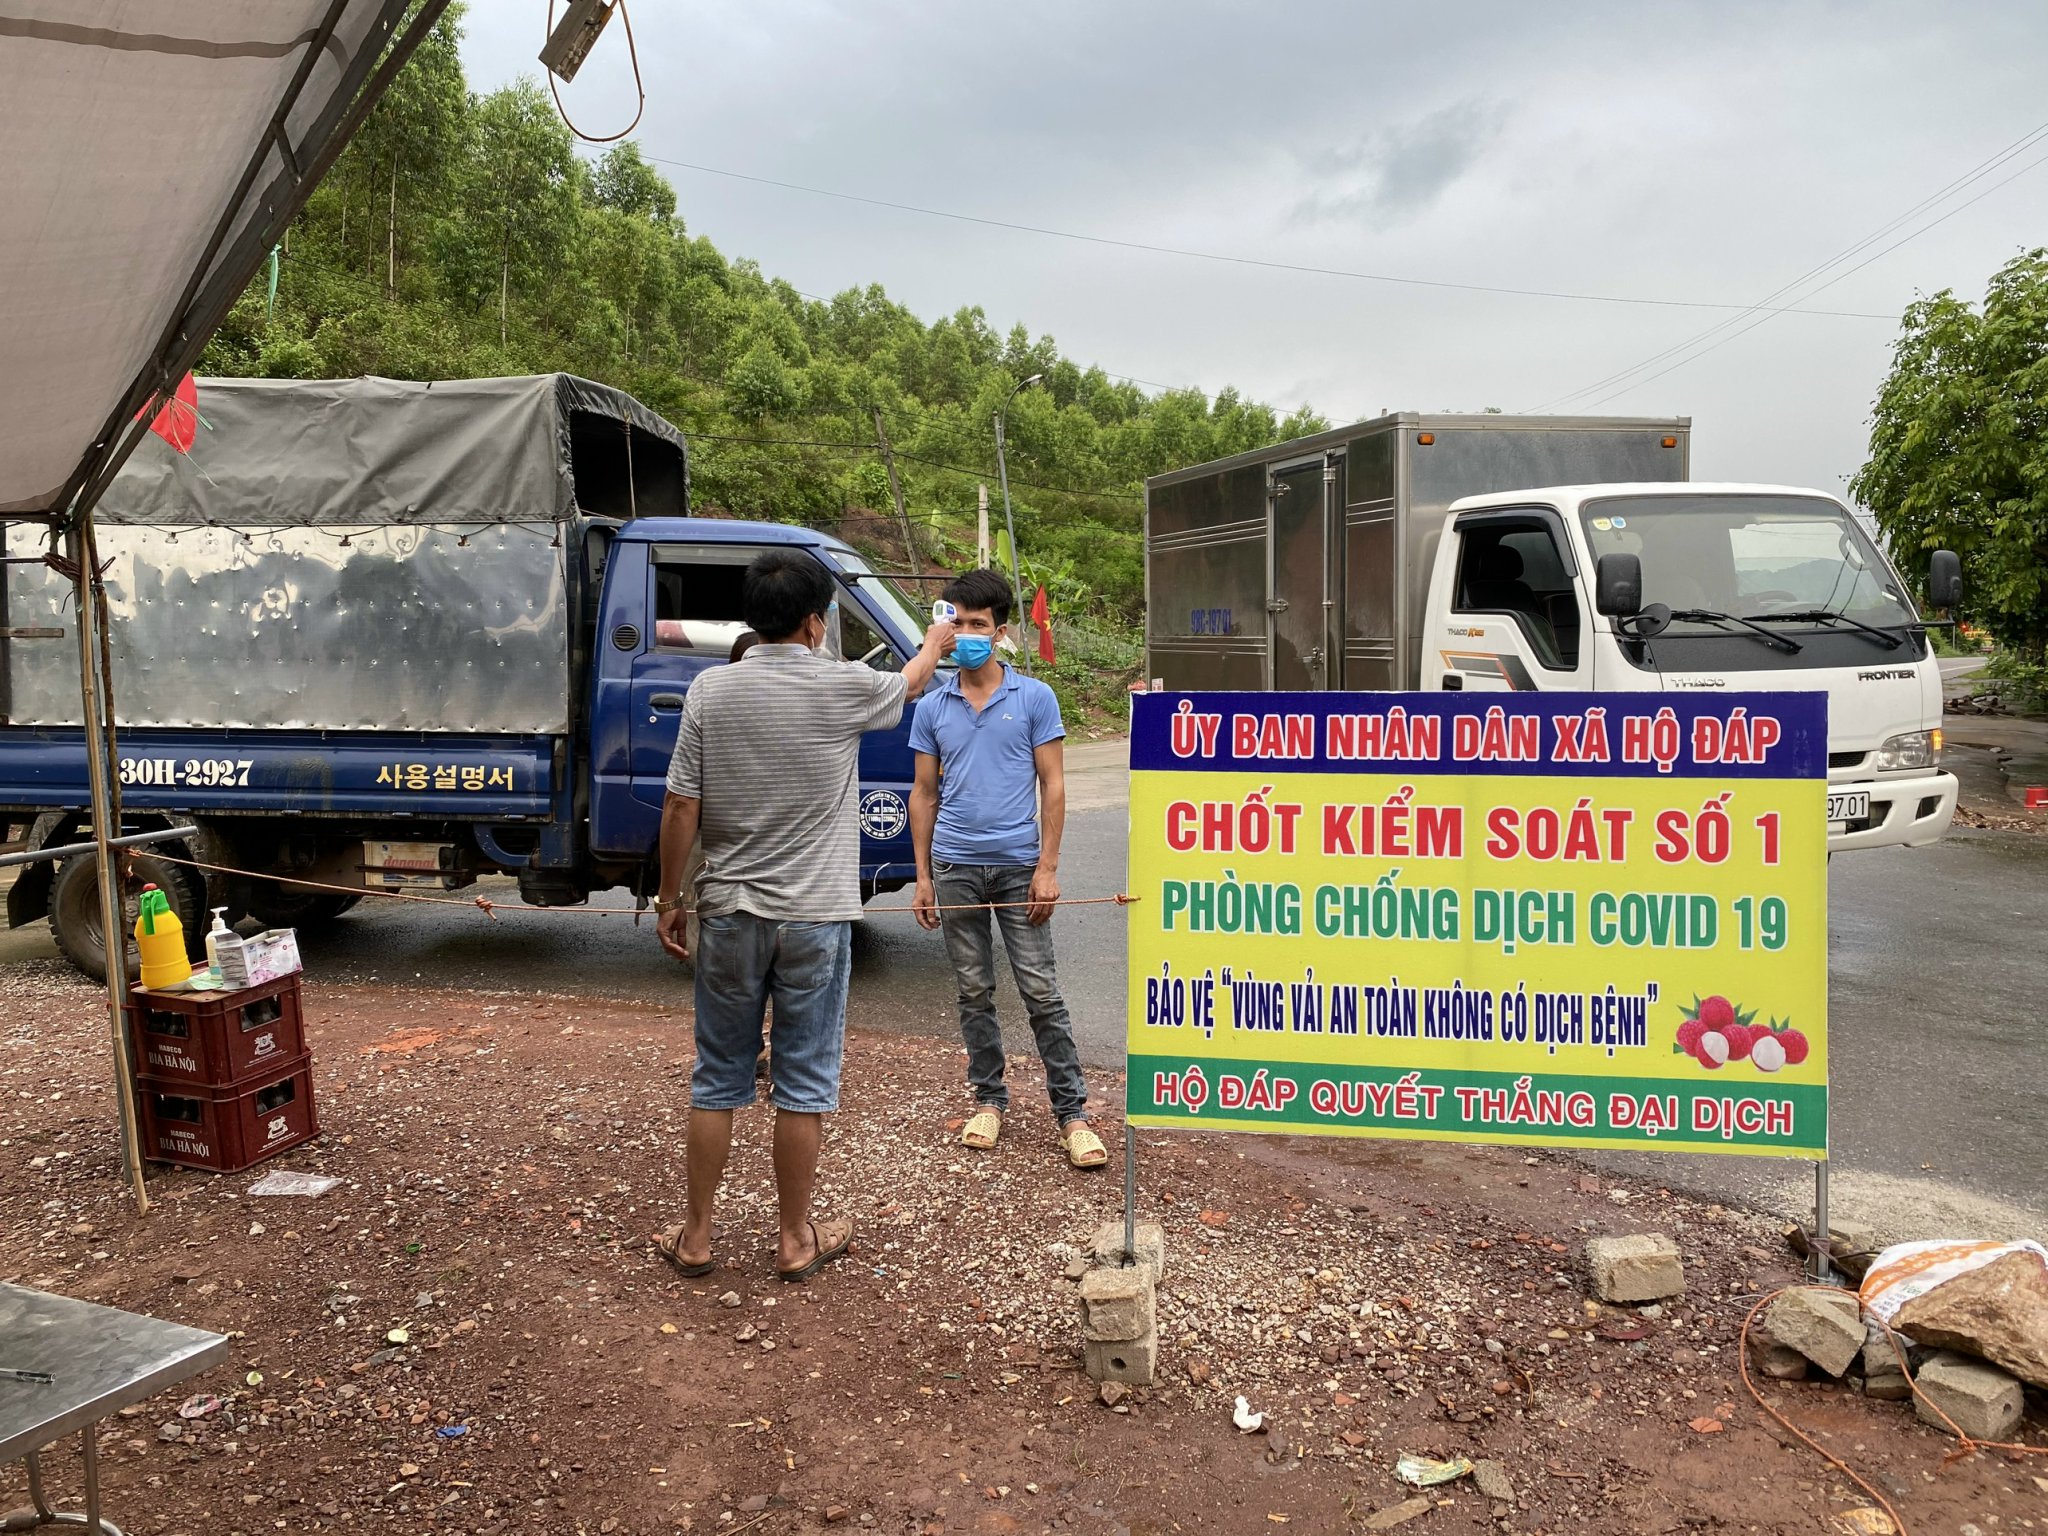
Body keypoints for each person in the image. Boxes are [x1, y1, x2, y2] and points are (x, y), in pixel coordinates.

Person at [653, 551, 954, 1281]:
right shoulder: (843, 685)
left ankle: (696, 1237)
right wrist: (934, 643)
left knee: (717, 1077)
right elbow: (911, 682)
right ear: (817, 622)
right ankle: (793, 1240)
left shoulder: (709, 692)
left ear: (752, 617)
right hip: (816, 917)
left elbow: (681, 806)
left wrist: (670, 900)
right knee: (804, 1083)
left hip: (727, 910)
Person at [910, 568, 1106, 1170]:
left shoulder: (1034, 698)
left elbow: (1053, 786)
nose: (967, 634)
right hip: (956, 867)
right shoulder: (932, 705)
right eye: (958, 623)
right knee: (973, 992)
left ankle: (1072, 1114)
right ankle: (989, 1101)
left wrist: (1048, 866)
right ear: (945, 627)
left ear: (1000, 632)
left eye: (978, 624)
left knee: (1041, 991)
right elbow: (923, 794)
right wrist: (923, 876)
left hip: (1020, 867)